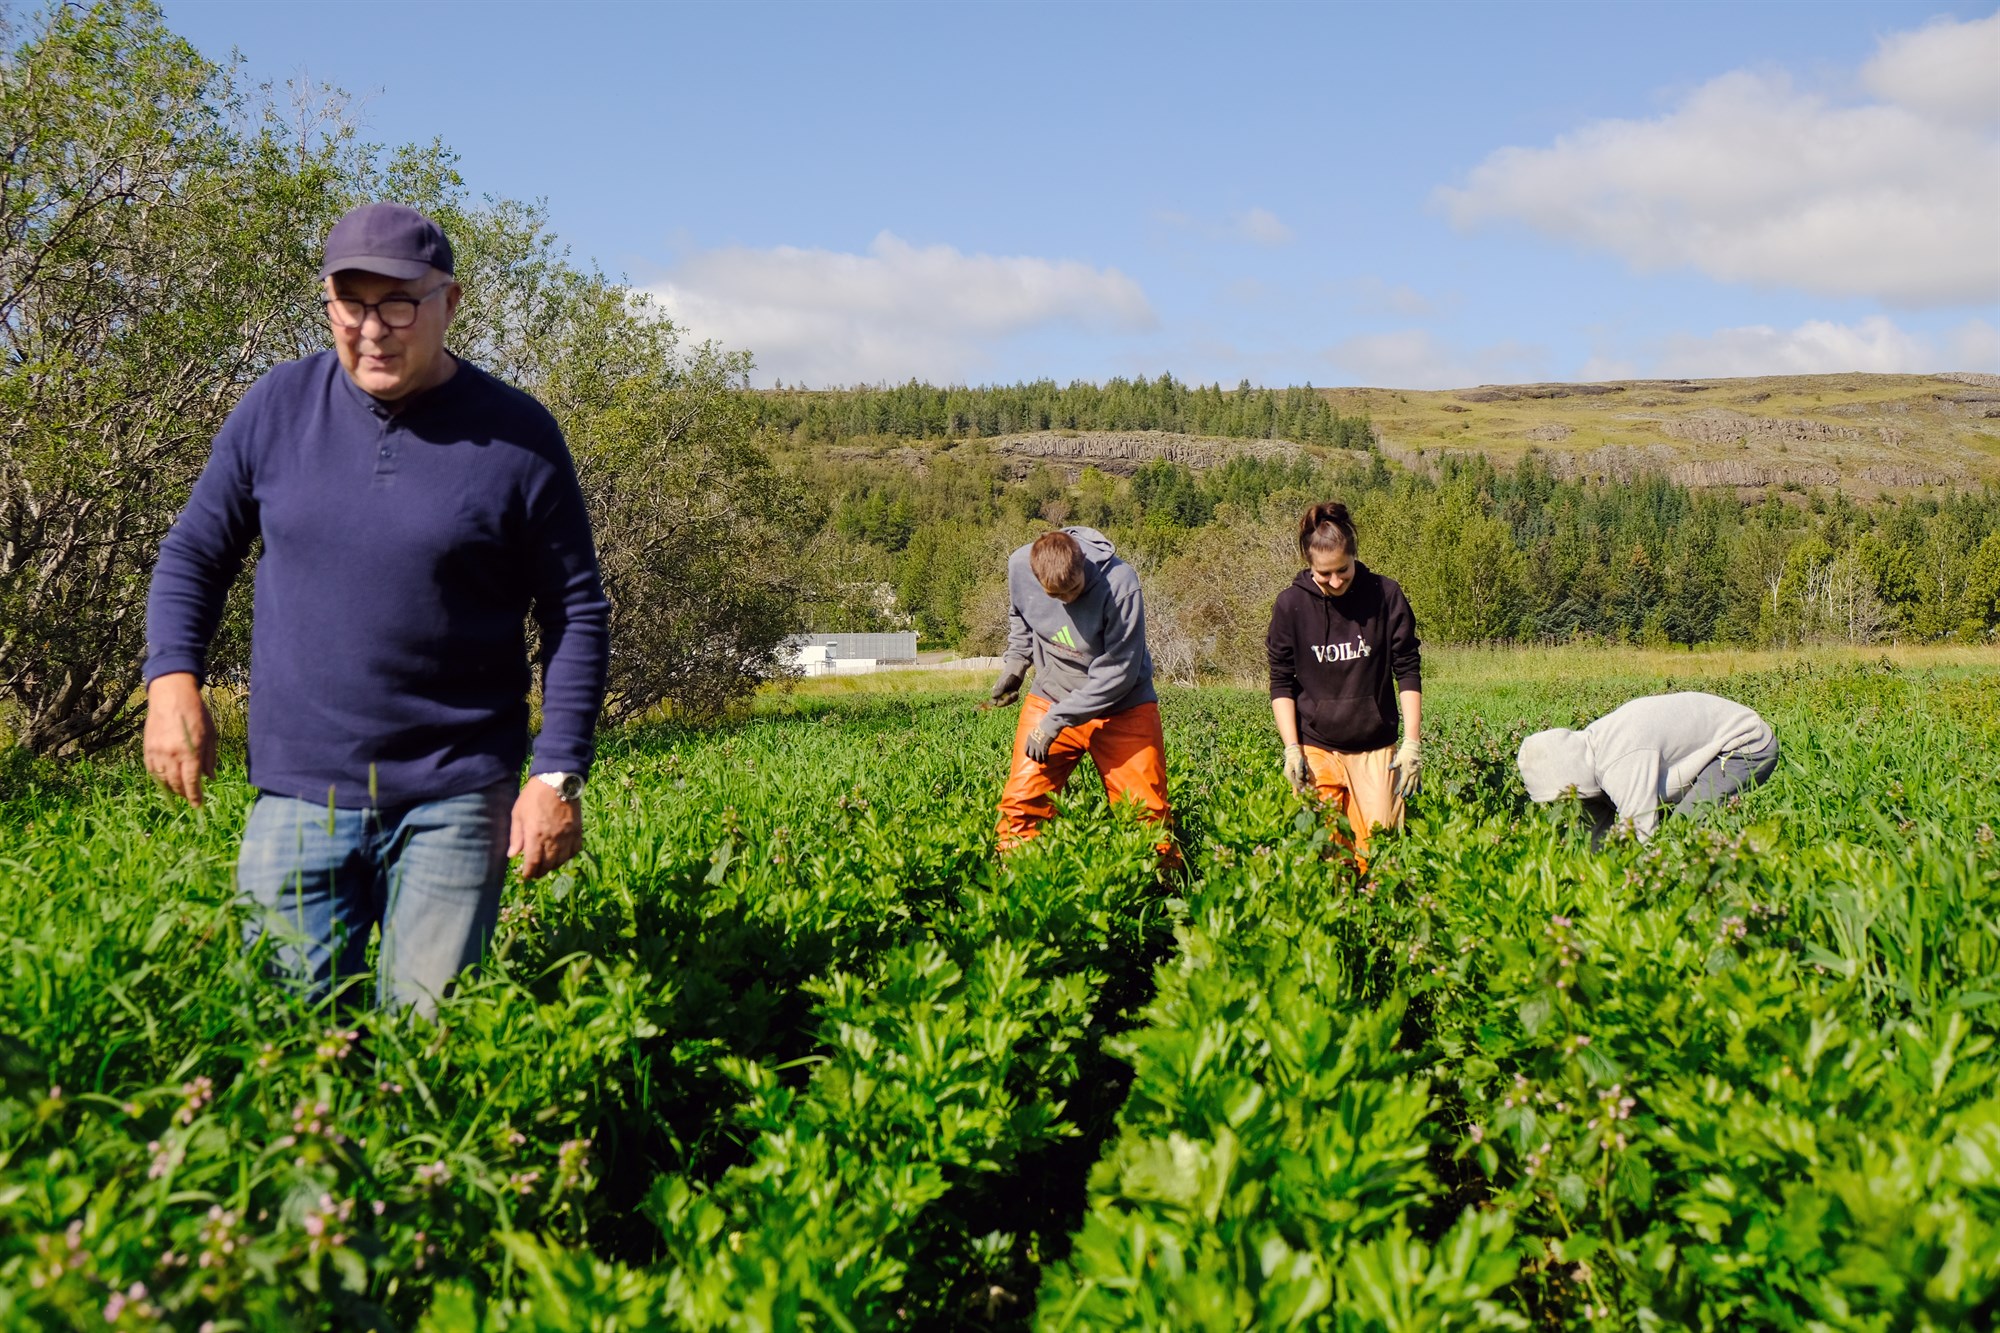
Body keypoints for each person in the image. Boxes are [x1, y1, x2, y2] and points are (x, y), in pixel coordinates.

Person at [142, 202, 610, 1016]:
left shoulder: (518, 436)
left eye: (398, 303)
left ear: (451, 302)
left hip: (455, 792)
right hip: (299, 791)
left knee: (421, 1045)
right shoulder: (277, 408)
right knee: (288, 1040)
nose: (372, 328)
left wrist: (556, 773)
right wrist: (171, 678)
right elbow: (194, 554)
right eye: (350, 303)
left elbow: (576, 610)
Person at [991, 528, 1177, 866]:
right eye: (1055, 595)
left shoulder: (1120, 583)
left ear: (1083, 564)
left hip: (1122, 707)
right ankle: (1016, 880)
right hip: (1051, 696)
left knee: (1146, 814)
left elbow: (1120, 671)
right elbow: (1021, 617)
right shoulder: (1018, 565)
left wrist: (1058, 720)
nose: (1067, 601)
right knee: (1021, 804)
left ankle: (1162, 897)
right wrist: (1016, 665)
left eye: (1074, 589)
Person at [1265, 501, 1422, 867]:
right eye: (1324, 574)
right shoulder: (1290, 606)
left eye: (1343, 571)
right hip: (1316, 744)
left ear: (1354, 556)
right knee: (1328, 852)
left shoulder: (1385, 595)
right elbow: (1281, 682)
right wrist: (1292, 748)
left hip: (1375, 745)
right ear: (1308, 565)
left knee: (1380, 854)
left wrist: (1412, 743)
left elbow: (1408, 668)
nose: (1335, 582)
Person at [1517, 692, 1778, 844]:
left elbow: (1641, 832)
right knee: (1669, 828)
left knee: (1682, 831)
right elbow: (1594, 837)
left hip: (1744, 743)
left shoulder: (1618, 761)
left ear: (1567, 774)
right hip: (1707, 745)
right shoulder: (1588, 759)